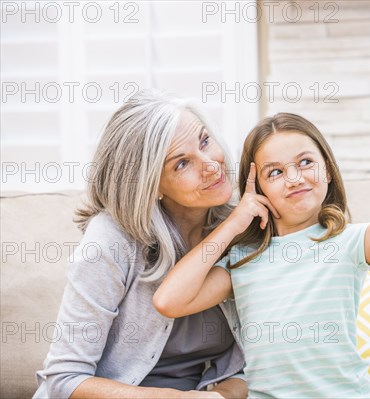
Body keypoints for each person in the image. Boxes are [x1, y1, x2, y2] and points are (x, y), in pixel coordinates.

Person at [153, 87, 370, 398]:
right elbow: (169, 301)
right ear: (256, 189)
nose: (294, 178)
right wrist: (233, 223)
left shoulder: (349, 242)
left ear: (326, 169)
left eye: (305, 162)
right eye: (275, 172)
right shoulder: (243, 260)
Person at [33, 90, 248, 399]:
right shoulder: (110, 241)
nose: (211, 165)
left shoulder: (242, 224)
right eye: (181, 164)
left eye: (204, 141)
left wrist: (220, 395)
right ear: (151, 185)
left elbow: (253, 365)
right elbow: (64, 380)